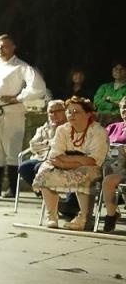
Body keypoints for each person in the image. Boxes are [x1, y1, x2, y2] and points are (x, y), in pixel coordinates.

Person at [0, 35, 48, 198]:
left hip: (12, 112)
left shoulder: (21, 67)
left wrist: (19, 97)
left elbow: (38, 87)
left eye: (5, 46)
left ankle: (13, 188)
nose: (1, 49)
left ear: (13, 47)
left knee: (12, 149)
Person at [34, 97, 108, 230]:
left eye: (76, 111)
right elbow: (55, 156)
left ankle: (84, 218)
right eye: (69, 112)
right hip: (67, 164)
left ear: (88, 114)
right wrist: (75, 161)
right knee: (45, 170)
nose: (71, 115)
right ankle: (52, 215)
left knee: (84, 172)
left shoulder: (98, 131)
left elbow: (93, 160)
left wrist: (66, 161)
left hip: (91, 167)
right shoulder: (62, 130)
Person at [17, 100, 69, 195]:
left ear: (65, 111)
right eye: (50, 112)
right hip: (41, 158)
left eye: (57, 111)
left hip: (59, 160)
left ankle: (49, 194)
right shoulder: (43, 129)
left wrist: (44, 145)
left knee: (39, 168)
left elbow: (61, 145)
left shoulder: (69, 128)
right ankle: (43, 193)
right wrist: (48, 144)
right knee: (24, 167)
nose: (53, 114)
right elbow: (33, 146)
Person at [99, 98, 126, 233]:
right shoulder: (113, 127)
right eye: (123, 107)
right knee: (107, 179)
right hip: (111, 168)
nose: (125, 110)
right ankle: (112, 214)